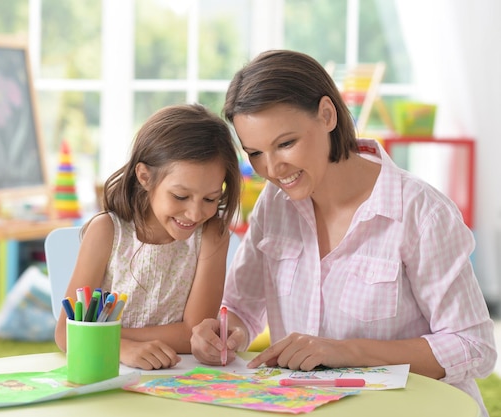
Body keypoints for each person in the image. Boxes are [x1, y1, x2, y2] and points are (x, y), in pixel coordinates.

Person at [189, 50, 497, 415]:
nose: (271, 169)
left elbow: (473, 346)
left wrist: (345, 351)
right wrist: (228, 334)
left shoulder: (420, 212)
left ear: (327, 115)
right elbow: (240, 308)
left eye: (286, 143)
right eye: (255, 153)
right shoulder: (275, 203)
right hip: (315, 406)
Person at [54, 103, 241, 370]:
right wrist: (120, 347)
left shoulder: (212, 234)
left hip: (176, 376)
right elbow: (66, 334)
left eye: (211, 198)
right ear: (145, 177)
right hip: (109, 371)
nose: (195, 212)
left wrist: (100, 335)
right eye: (180, 196)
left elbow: (194, 333)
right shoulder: (107, 231)